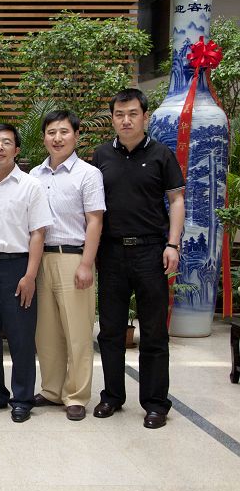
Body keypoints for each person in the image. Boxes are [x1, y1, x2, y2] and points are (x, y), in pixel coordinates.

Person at [92, 88, 185, 429]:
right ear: (112, 119)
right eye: (119, 114)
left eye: (132, 113)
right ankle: (112, 396)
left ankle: (156, 403)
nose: (126, 120)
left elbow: (176, 200)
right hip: (111, 252)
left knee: (154, 332)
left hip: (151, 252)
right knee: (110, 331)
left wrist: (173, 244)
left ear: (145, 116)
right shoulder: (101, 155)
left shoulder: (161, 154)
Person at [0, 123, 53, 423]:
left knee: (21, 335)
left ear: (16, 150)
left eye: (6, 142)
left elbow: (38, 233)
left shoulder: (31, 186)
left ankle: (22, 398)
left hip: (17, 266)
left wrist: (30, 276)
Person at [29, 110, 105, 421]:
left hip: (74, 258)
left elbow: (95, 220)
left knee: (77, 332)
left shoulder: (88, 174)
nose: (57, 138)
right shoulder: (34, 175)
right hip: (40, 259)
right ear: (44, 137)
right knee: (46, 333)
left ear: (76, 135)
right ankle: (51, 389)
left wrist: (87, 263)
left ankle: (75, 395)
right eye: (51, 132)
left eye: (64, 132)